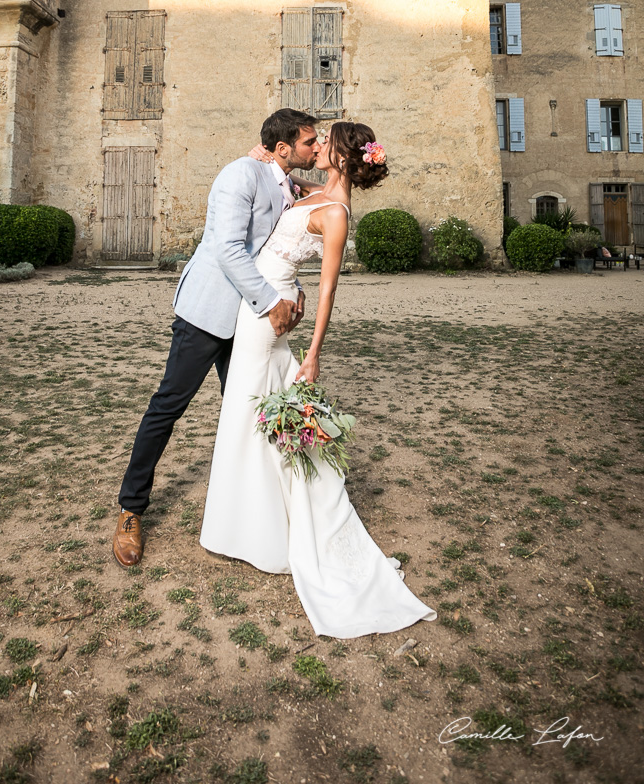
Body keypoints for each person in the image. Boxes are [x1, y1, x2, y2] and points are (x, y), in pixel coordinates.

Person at [199, 121, 438, 638]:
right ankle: (254, 520)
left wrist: (314, 356)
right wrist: (263, 157)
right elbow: (285, 186)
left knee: (246, 409)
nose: (318, 146)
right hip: (261, 300)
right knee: (252, 410)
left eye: (326, 142)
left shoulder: (335, 213)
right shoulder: (313, 192)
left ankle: (253, 531)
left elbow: (329, 291)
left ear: (343, 157)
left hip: (267, 315)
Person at [112, 109, 320, 567]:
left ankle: (257, 512)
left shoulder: (290, 187)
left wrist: (295, 290)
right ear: (283, 148)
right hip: (209, 311)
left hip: (249, 322)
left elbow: (274, 252)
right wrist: (272, 302)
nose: (316, 148)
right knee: (169, 405)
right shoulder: (239, 173)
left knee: (254, 411)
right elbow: (227, 248)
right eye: (310, 142)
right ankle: (131, 509)